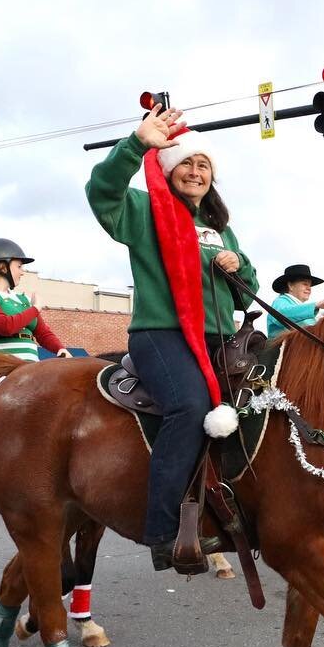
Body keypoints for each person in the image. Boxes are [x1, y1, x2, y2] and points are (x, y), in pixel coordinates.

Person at [87, 104, 260, 575]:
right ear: (168, 167)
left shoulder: (220, 228)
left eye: (204, 165)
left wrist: (236, 265)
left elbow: (252, 286)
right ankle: (163, 530)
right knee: (190, 407)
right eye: (187, 161)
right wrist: (136, 144)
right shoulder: (143, 211)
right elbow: (101, 192)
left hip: (218, 339)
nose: (196, 171)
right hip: (161, 336)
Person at [0, 238, 72, 515]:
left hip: (28, 368)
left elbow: (41, 331)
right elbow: (5, 326)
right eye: (19, 265)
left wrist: (60, 349)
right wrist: (34, 309)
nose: (22, 271)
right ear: (1, 266)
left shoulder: (19, 299)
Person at [266, 264, 324, 340]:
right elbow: (282, 315)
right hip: (279, 348)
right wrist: (315, 305)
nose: (309, 288)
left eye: (310, 285)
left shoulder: (303, 309)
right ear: (290, 286)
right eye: (305, 284)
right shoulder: (280, 301)